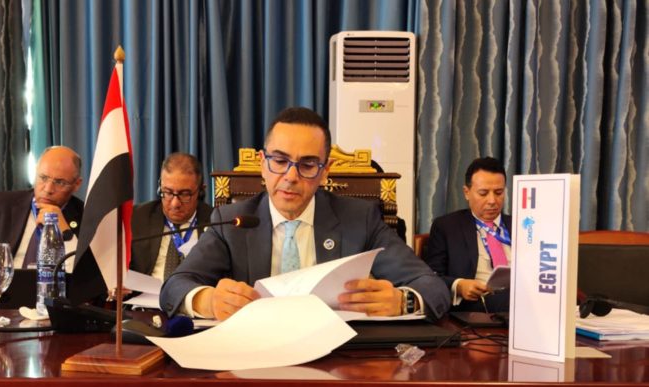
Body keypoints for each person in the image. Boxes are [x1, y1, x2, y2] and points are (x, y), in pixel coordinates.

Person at [159, 107, 450, 320]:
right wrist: (207, 300)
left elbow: (433, 287)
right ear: (262, 164)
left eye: (308, 165)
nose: (290, 176)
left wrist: (403, 301)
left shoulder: (359, 219)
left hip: (336, 358)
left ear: (325, 171)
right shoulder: (232, 221)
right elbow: (174, 287)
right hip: (252, 353)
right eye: (279, 161)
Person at [0, 145, 103, 305]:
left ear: (77, 184)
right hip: (0, 304)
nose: (48, 189)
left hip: (58, 306)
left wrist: (65, 232)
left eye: (60, 182)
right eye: (43, 178)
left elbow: (92, 284)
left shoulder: (89, 218)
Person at [425, 156, 511, 313]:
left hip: (521, 298)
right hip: (477, 305)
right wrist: (459, 285)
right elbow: (430, 277)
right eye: (483, 193)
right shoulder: (447, 227)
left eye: (498, 193)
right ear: (467, 192)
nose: (492, 200)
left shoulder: (521, 225)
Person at [130, 152, 212, 281]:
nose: (175, 204)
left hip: (194, 292)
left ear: (201, 191)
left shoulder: (216, 222)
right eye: (168, 192)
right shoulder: (138, 218)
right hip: (145, 293)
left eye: (184, 194)